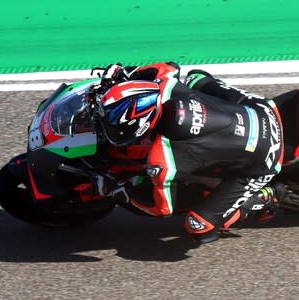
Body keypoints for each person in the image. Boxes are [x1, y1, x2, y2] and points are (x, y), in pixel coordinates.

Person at [95, 62, 285, 243]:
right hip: (260, 109)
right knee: (196, 77)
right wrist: (127, 73)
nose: (109, 131)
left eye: (113, 128)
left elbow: (161, 207)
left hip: (265, 156)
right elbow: (168, 67)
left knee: (199, 225)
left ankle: (265, 196)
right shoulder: (166, 84)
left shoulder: (164, 154)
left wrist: (118, 189)